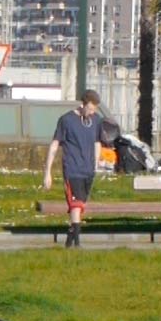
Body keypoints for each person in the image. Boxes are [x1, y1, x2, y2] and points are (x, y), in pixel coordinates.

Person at [42, 90, 111, 248]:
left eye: (95, 110)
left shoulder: (96, 121)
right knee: (76, 204)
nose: (92, 112)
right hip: (72, 169)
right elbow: (54, 145)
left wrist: (96, 163)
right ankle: (78, 244)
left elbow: (97, 142)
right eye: (91, 109)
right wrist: (48, 172)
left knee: (80, 208)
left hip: (88, 170)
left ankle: (70, 237)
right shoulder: (66, 120)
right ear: (83, 105)